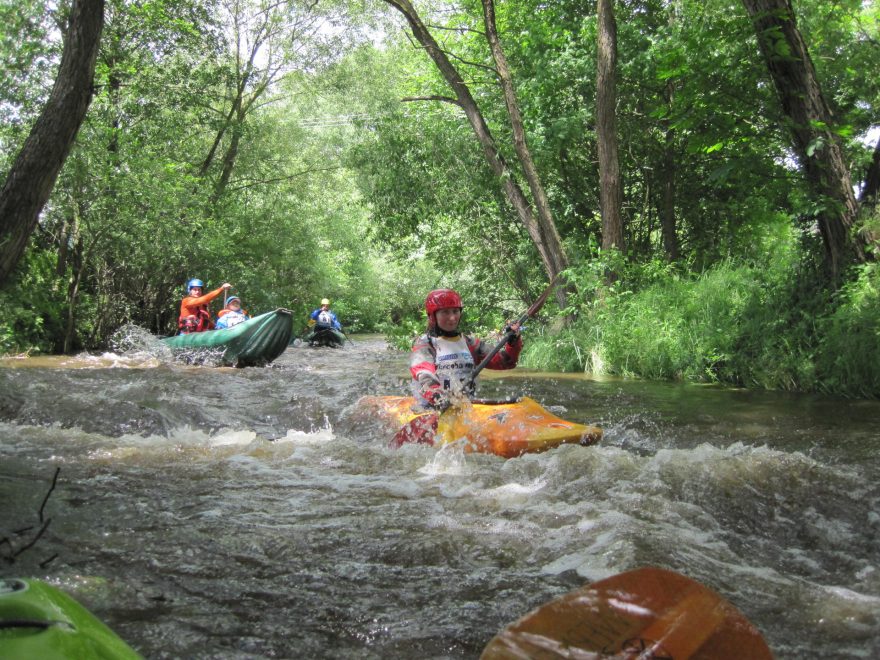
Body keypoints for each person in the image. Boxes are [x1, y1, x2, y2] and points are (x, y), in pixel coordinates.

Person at [410, 288, 522, 410]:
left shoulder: (470, 343)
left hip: (466, 408)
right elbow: (425, 376)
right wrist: (439, 398)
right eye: (445, 312)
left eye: (455, 311)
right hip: (432, 407)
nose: (452, 317)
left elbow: (506, 362)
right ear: (432, 316)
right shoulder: (425, 345)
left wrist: (513, 342)